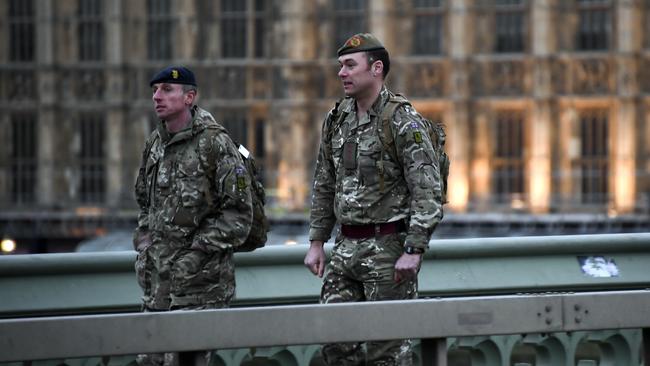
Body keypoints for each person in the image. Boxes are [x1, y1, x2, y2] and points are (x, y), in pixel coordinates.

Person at [304, 33, 444, 365]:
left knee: (388, 354)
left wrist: (414, 248)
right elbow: (325, 181)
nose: (342, 73)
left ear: (376, 68)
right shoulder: (337, 119)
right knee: (336, 347)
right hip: (344, 252)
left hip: (388, 254)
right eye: (340, 66)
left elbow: (428, 189)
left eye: (350, 65)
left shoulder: (401, 120)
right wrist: (316, 240)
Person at [133, 66, 253, 366]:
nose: (157, 96)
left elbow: (239, 215)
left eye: (166, 90)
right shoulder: (155, 144)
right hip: (157, 289)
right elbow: (144, 203)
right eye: (155, 90)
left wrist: (195, 253)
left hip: (199, 290)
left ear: (190, 97)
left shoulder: (215, 143)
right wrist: (145, 242)